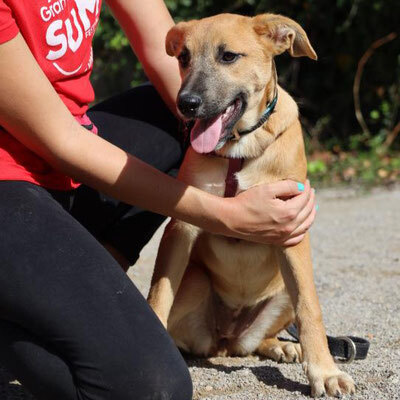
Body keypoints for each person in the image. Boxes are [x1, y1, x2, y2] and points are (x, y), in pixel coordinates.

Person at [0, 0, 316, 399]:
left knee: (175, 112)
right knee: (151, 389)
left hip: (63, 167)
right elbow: (59, 140)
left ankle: (73, 291)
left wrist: (243, 140)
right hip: (12, 178)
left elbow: (162, 51)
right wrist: (226, 214)